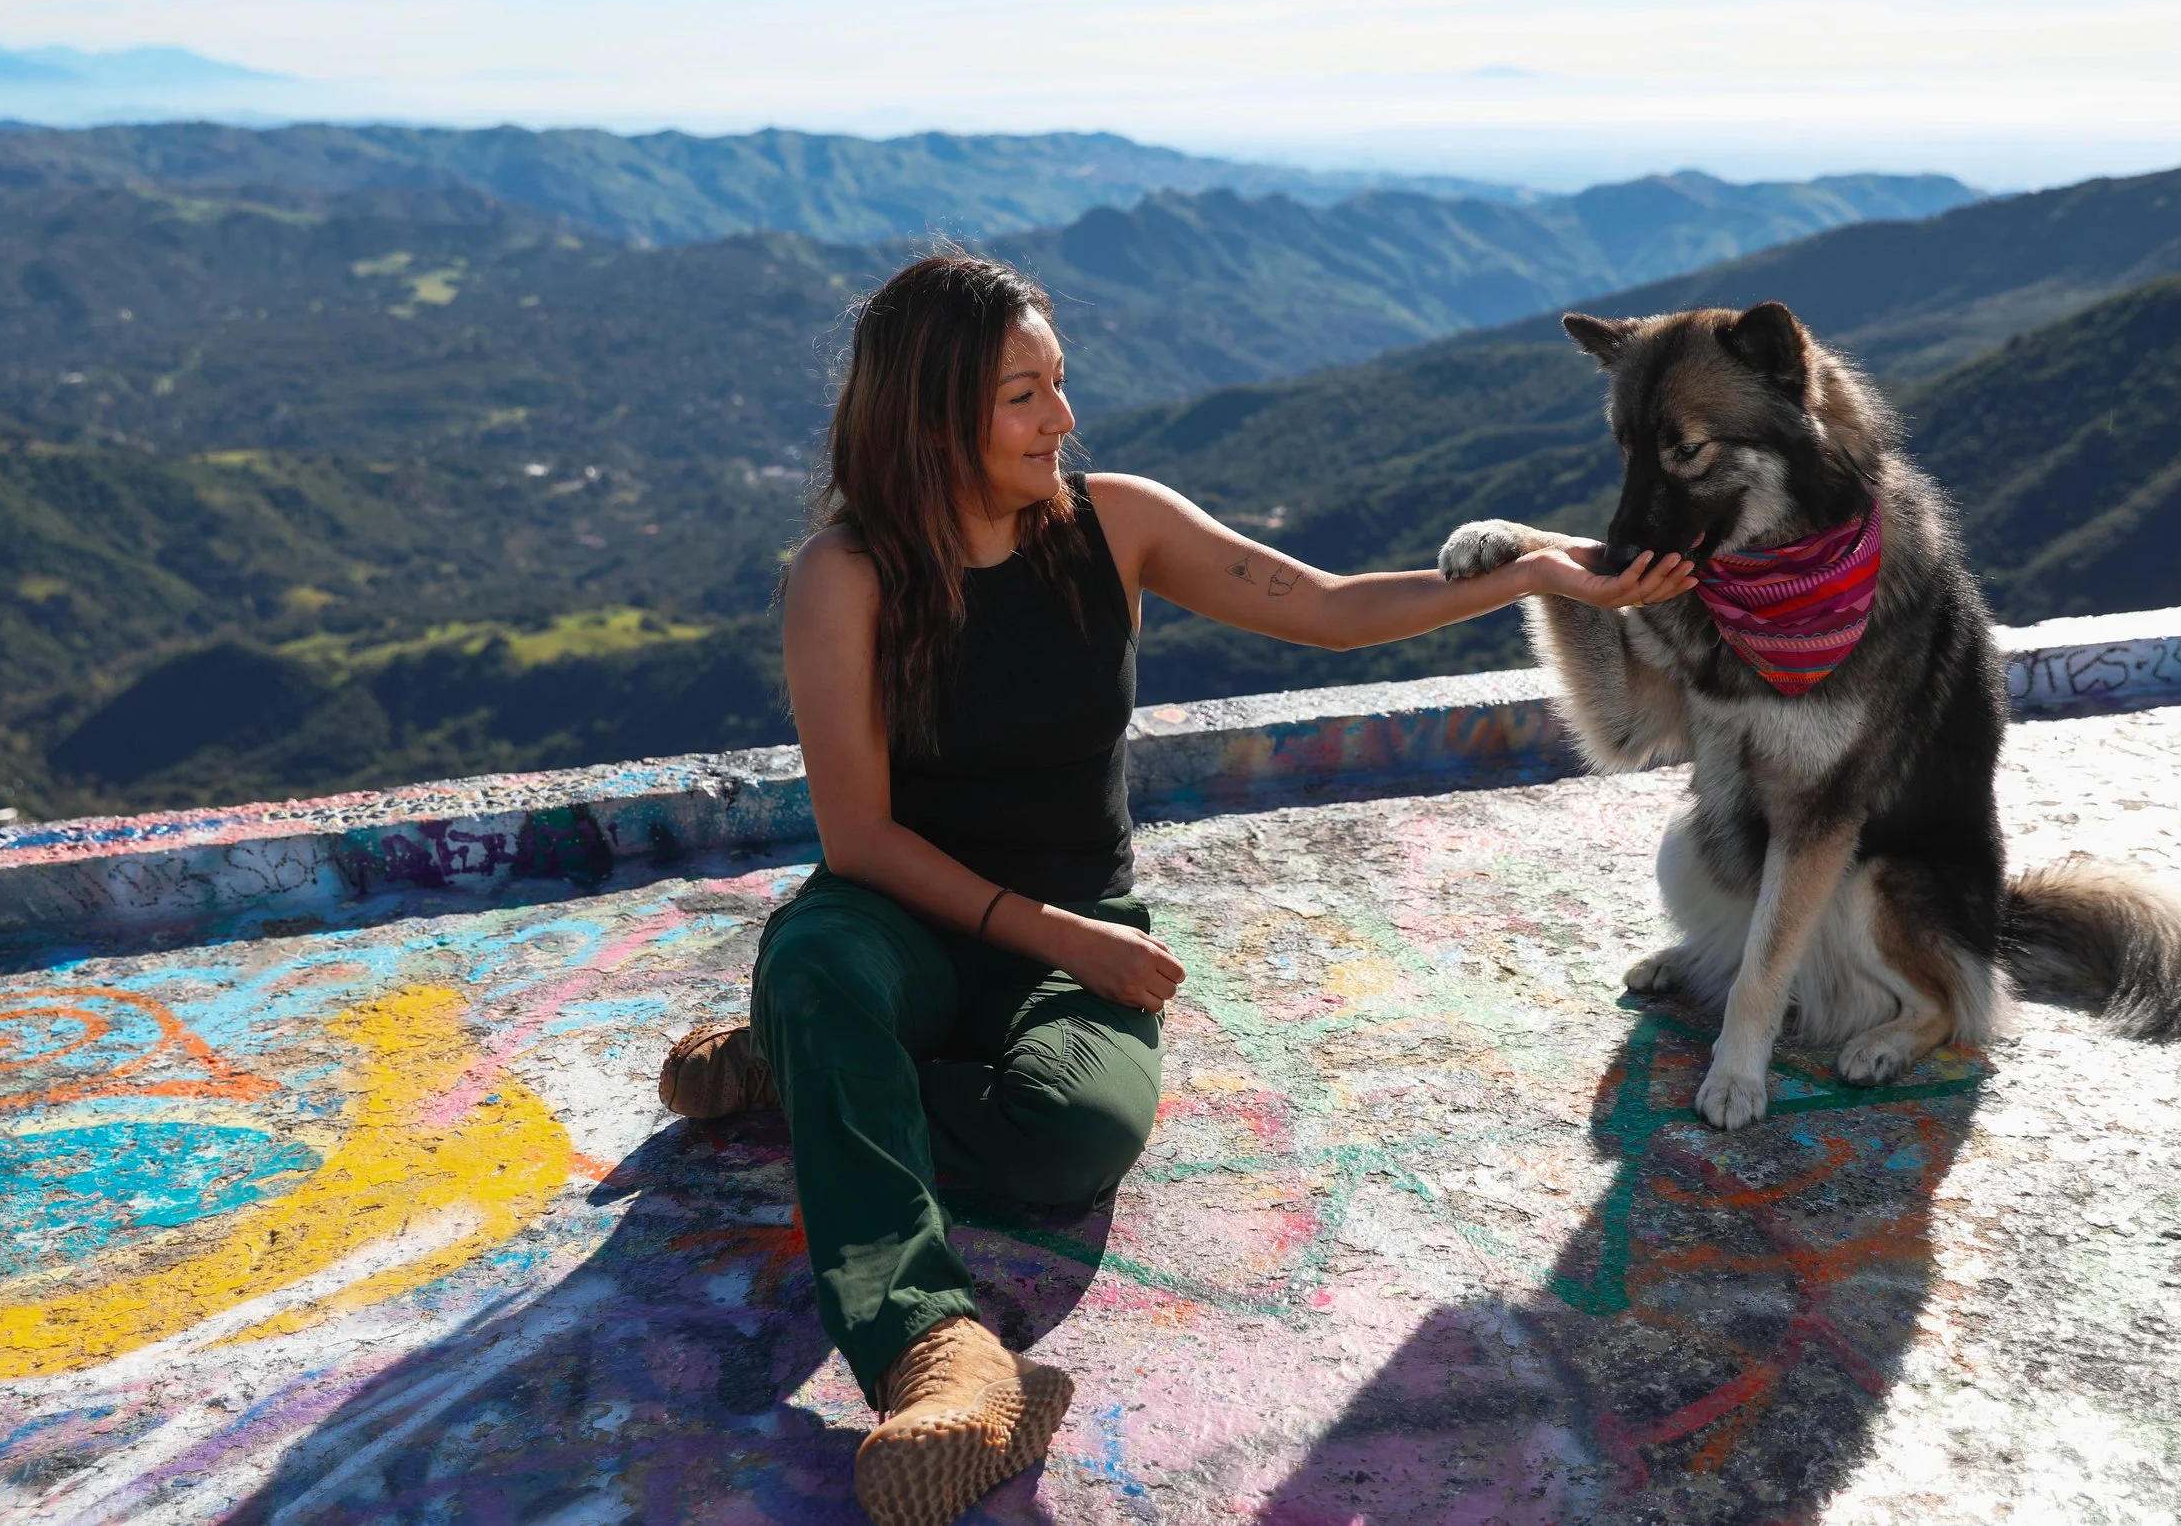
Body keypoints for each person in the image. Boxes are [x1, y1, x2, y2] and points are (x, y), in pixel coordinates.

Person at [656, 253, 1693, 1526]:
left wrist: (1534, 572)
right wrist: (1060, 937)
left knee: (1070, 1139)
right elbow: (859, 836)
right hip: (899, 923)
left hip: (1075, 939)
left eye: (1059, 385)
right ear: (929, 414)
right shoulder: (845, 576)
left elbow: (1322, 606)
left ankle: (809, 1064)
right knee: (823, 964)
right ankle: (936, 1352)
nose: (1061, 419)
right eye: (1021, 396)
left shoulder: (1118, 521)